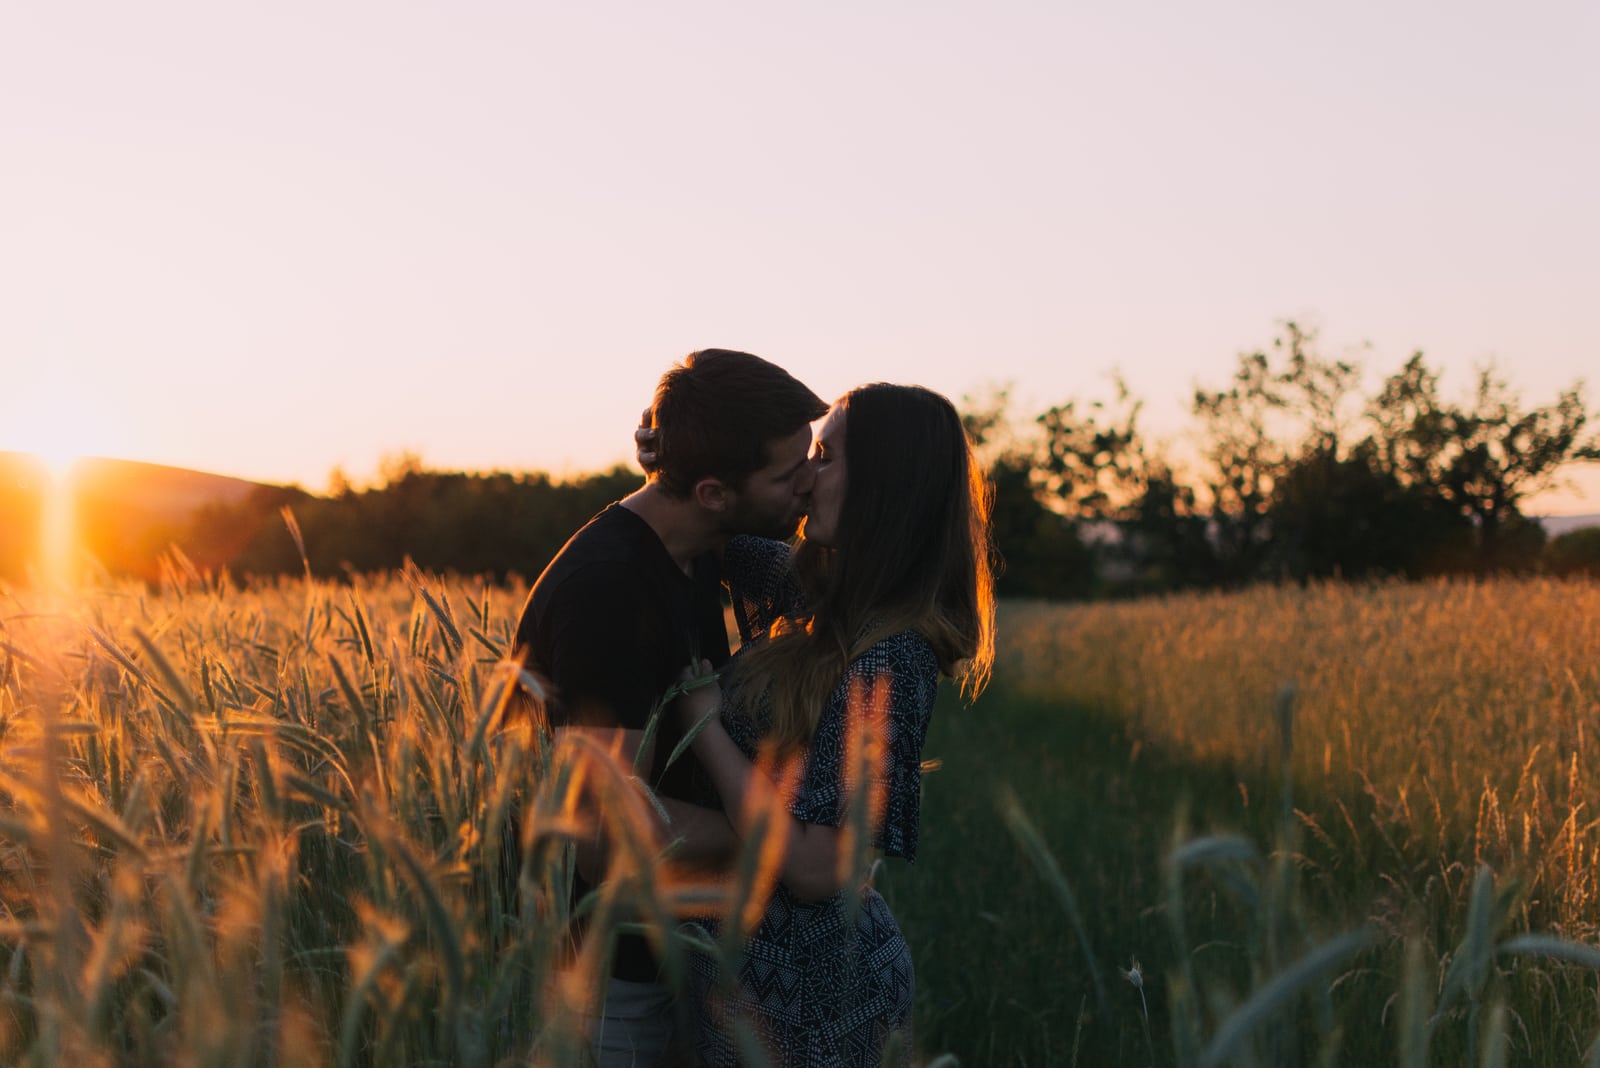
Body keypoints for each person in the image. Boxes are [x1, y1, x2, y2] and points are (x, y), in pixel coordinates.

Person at [511, 348, 827, 1067]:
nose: (808, 483)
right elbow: (602, 828)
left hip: (681, 956)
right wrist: (782, 847)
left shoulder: (701, 546)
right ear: (715, 492)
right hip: (607, 984)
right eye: (789, 473)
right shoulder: (610, 593)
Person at [669, 383, 997, 1067]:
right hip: (746, 975)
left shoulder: (893, 655)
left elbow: (820, 868)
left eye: (823, 456)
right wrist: (671, 453)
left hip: (817, 999)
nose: (805, 476)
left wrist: (705, 729)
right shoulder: (824, 603)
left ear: (881, 486)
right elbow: (722, 524)